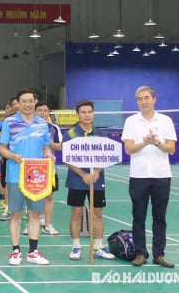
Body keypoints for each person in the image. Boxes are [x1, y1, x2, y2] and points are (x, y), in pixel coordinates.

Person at [121, 86, 176, 268]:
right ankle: (140, 253)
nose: (143, 102)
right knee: (138, 217)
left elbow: (171, 149)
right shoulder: (131, 121)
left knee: (160, 217)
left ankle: (159, 254)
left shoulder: (166, 121)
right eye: (139, 99)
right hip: (139, 176)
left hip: (161, 176)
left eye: (146, 98)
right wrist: (144, 142)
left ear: (154, 99)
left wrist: (157, 142)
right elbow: (129, 149)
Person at [0, 88, 52, 266]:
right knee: (15, 214)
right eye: (24, 101)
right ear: (18, 104)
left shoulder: (42, 123)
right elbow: (2, 148)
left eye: (31, 101)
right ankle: (15, 251)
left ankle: (33, 251)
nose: (28, 104)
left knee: (34, 214)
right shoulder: (9, 122)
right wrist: (12, 156)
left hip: (37, 176)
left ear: (35, 102)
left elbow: (46, 147)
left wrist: (48, 155)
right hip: (15, 174)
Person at [64, 100, 115, 261]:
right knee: (76, 212)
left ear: (93, 114)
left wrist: (97, 171)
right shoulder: (70, 134)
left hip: (96, 179)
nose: (87, 115)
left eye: (89, 112)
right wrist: (83, 174)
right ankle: (76, 247)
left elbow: (106, 155)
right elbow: (67, 159)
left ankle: (98, 247)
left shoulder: (101, 134)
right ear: (78, 115)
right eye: (83, 112)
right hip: (77, 179)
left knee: (98, 213)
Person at [35, 101, 61, 235]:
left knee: (49, 197)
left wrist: (47, 141)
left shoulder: (54, 128)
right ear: (35, 112)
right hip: (33, 167)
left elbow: (59, 146)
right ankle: (31, 224)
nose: (43, 113)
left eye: (45, 110)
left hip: (50, 168)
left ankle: (48, 224)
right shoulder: (30, 127)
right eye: (40, 110)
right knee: (33, 196)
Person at [0, 97, 19, 222]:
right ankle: (7, 208)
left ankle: (27, 210)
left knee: (27, 184)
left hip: (26, 159)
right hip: (9, 157)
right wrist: (3, 153)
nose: (17, 106)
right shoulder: (8, 121)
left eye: (18, 103)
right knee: (7, 184)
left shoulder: (34, 121)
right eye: (14, 104)